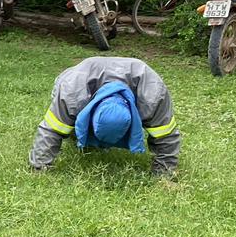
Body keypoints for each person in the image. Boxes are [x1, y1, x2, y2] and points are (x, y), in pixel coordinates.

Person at [29, 56, 180, 176]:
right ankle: (81, 136)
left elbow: (166, 136)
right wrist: (40, 168)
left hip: (138, 76)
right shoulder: (72, 94)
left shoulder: (152, 96)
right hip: (78, 75)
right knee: (64, 119)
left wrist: (164, 173)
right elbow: (51, 130)